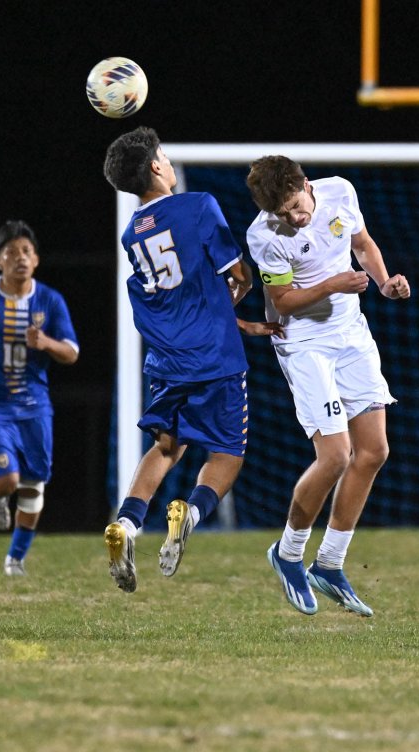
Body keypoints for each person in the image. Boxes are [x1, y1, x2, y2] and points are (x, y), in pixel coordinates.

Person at [102, 126, 282, 593]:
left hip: (167, 360)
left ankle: (126, 525)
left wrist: (230, 318)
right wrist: (242, 291)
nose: (168, 161)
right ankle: (192, 512)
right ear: (156, 166)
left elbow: (178, 297)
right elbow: (237, 272)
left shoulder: (131, 234)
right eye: (163, 155)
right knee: (228, 453)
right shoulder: (198, 205)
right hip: (214, 357)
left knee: (166, 447)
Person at [246, 156, 410, 616]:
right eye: (284, 214)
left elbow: (362, 243)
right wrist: (335, 284)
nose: (294, 219)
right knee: (335, 455)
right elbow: (284, 301)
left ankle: (330, 564)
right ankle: (289, 553)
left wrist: (384, 282)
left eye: (297, 207)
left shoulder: (339, 190)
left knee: (373, 451)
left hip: (351, 335)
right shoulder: (264, 235)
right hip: (304, 343)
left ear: (306, 185)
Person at [0, 221, 79, 575]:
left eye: (26, 251)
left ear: (35, 260)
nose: (20, 257)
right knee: (7, 481)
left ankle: (15, 559)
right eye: (11, 252)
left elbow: (72, 352)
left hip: (35, 406)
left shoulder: (50, 300)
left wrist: (46, 343)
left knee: (34, 482)